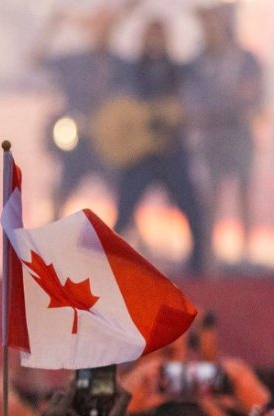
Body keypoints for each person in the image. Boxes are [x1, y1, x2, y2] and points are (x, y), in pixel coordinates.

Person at [111, 19, 211, 276]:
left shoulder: (177, 71)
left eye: (160, 35)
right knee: (123, 213)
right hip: (140, 154)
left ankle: (198, 269)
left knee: (192, 210)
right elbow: (119, 107)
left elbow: (196, 82)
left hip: (171, 151)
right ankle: (105, 268)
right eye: (150, 35)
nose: (155, 41)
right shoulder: (131, 70)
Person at [33, 5, 134, 219]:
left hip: (108, 139)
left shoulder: (122, 64)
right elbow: (37, 60)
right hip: (77, 137)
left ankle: (126, 241)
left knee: (124, 191)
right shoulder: (74, 61)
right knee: (62, 190)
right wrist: (53, 26)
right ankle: (52, 237)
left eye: (107, 28)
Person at [184, 4, 264, 263]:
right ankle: (209, 251)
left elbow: (252, 93)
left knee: (243, 189)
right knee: (211, 194)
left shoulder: (244, 58)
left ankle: (246, 252)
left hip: (237, 132)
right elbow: (191, 97)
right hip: (211, 136)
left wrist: (223, 103)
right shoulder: (199, 61)